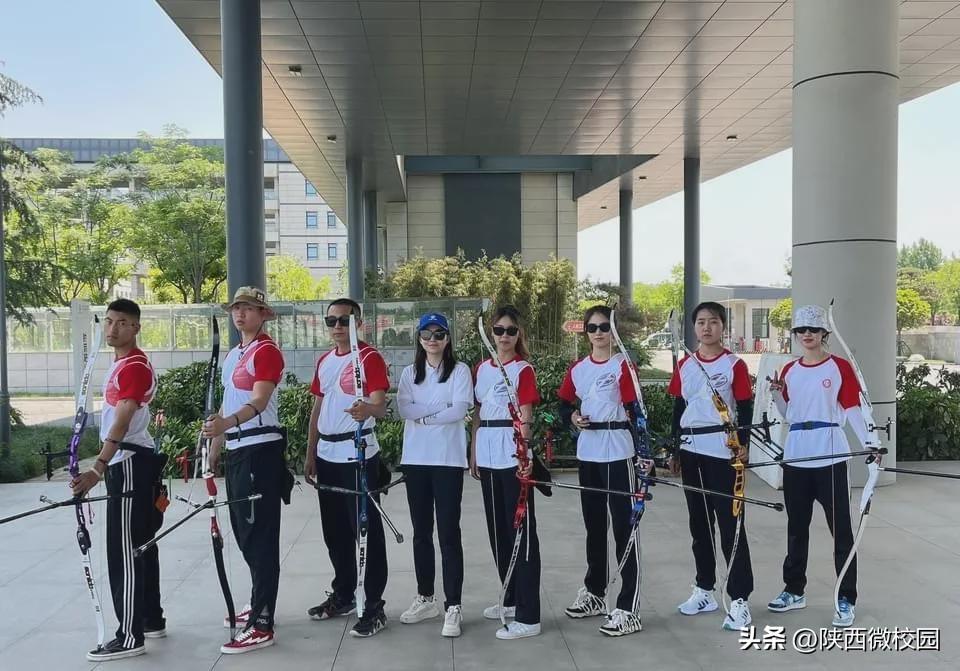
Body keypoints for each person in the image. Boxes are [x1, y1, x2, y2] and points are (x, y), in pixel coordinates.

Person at [766, 304, 876, 628]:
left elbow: (852, 408)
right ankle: (793, 590)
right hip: (797, 455)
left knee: (841, 530)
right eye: (801, 330)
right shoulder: (789, 370)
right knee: (796, 528)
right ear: (795, 334)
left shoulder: (839, 366)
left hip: (831, 456)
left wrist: (871, 443)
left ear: (824, 333)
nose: (807, 335)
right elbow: (789, 414)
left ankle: (846, 597)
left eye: (813, 329)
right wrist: (777, 395)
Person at [71, 299, 163, 662]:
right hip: (131, 462)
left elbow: (122, 421)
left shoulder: (135, 367)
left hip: (128, 465)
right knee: (141, 544)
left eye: (121, 322)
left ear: (136, 327)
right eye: (108, 321)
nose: (112, 328)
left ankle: (129, 636)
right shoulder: (122, 364)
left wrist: (97, 468)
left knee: (124, 550)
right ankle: (150, 618)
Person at [203, 287, 289, 654]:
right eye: (237, 308)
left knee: (260, 536)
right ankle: (258, 602)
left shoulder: (266, 351)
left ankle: (263, 622)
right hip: (238, 450)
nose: (241, 314)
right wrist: (215, 447)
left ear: (263, 314)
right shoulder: (235, 354)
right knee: (244, 533)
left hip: (260, 451)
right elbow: (227, 402)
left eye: (249, 308)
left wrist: (226, 425)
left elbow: (259, 400)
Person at [303, 298, 391, 638]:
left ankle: (374, 605)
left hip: (358, 454)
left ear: (359, 324)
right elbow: (318, 408)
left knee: (366, 533)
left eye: (345, 320)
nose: (338, 326)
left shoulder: (369, 358)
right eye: (332, 321)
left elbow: (381, 406)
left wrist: (367, 409)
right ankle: (343, 595)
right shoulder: (325, 361)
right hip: (327, 454)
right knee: (335, 532)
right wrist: (311, 453)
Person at [557, 305, 644, 637]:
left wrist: (644, 453)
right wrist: (572, 417)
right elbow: (564, 404)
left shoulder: (623, 365)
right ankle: (595, 593)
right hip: (589, 451)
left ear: (614, 330)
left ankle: (628, 608)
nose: (598, 333)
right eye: (592, 327)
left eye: (604, 327)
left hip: (618, 449)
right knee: (594, 526)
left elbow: (636, 411)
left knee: (624, 528)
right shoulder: (578, 369)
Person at [668, 301, 755, 631]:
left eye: (714, 321)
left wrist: (744, 444)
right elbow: (679, 408)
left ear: (723, 327)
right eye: (701, 322)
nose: (707, 327)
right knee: (699, 524)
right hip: (692, 450)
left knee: (731, 524)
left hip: (723, 451)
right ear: (694, 328)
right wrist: (675, 450)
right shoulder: (685, 365)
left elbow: (744, 407)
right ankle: (704, 589)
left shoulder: (734, 364)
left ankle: (740, 598)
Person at [396, 312, 473, 637]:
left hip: (448, 461)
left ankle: (453, 604)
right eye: (426, 334)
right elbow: (404, 408)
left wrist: (424, 416)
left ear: (447, 338)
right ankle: (425, 597)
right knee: (421, 532)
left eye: (439, 334)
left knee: (448, 532)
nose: (432, 339)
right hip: (416, 460)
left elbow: (460, 409)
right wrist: (439, 409)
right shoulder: (409, 373)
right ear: (419, 338)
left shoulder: (460, 370)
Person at [471, 305, 542, 640]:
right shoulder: (481, 369)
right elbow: (478, 412)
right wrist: (473, 450)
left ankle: (529, 615)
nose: (503, 336)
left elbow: (526, 416)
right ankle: (510, 597)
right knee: (498, 529)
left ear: (518, 335)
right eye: (498, 330)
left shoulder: (522, 369)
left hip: (512, 455)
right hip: (487, 453)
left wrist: (524, 453)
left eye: (510, 331)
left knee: (521, 533)